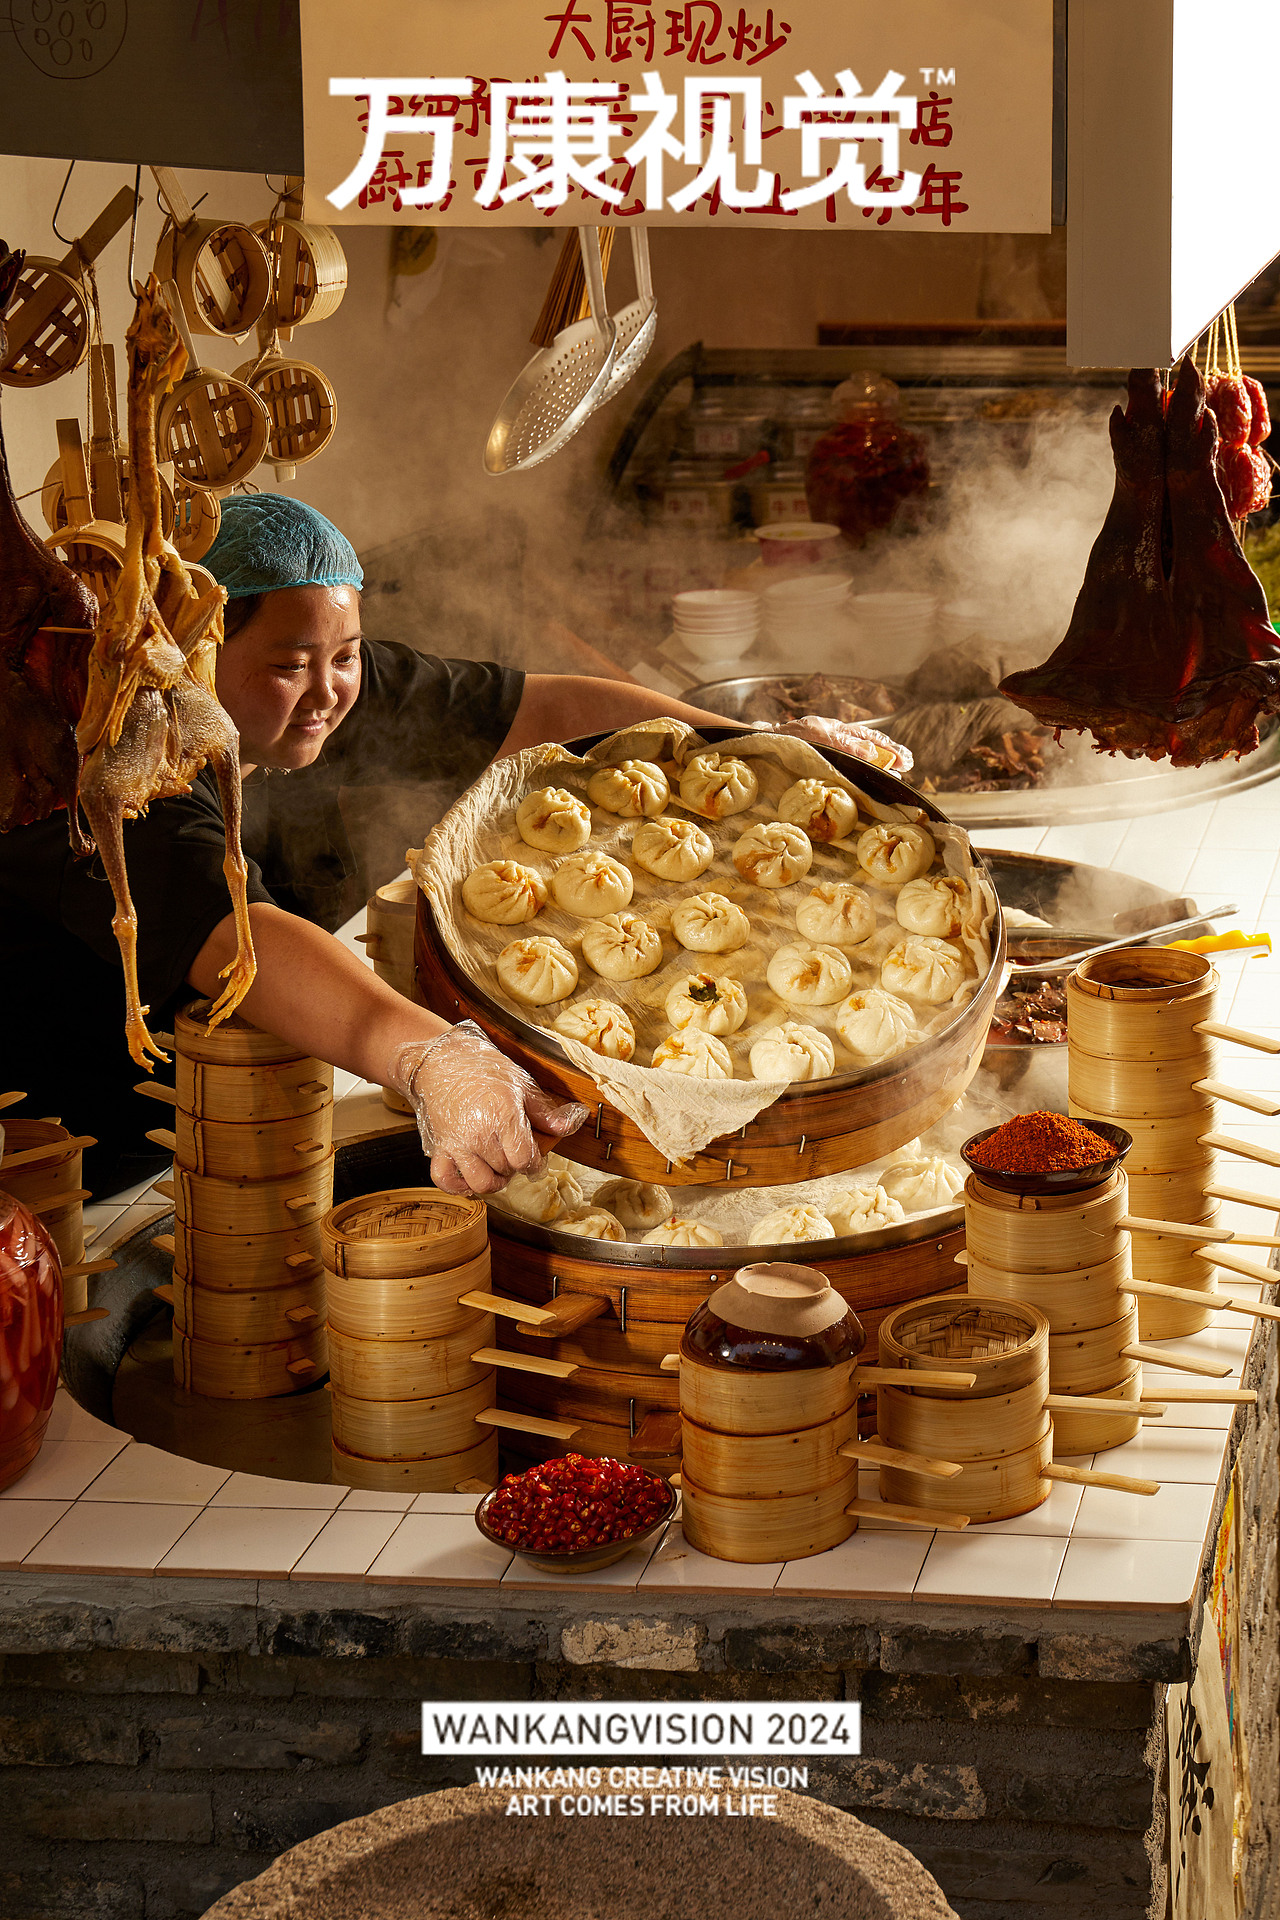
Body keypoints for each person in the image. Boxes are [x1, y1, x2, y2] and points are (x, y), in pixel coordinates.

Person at [0, 495, 904, 1198]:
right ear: (196, 654)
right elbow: (242, 942)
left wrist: (762, 750)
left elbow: (544, 713)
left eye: (345, 654)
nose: (328, 692)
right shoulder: (107, 764)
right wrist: (433, 1058)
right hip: (68, 1159)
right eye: (289, 666)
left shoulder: (326, 675)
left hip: (222, 1125)